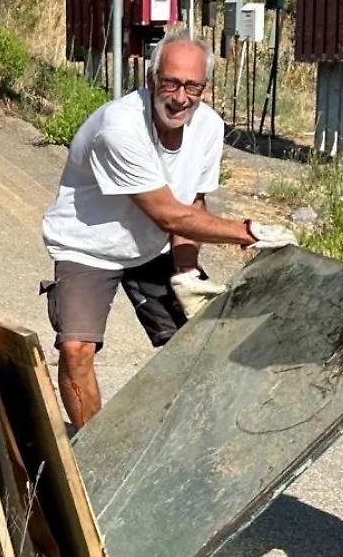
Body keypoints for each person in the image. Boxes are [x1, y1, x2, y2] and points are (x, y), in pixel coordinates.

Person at [41, 30, 296, 431]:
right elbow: (169, 215)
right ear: (150, 80)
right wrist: (249, 231)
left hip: (152, 247)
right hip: (89, 246)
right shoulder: (119, 127)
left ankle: (186, 440)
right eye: (171, 83)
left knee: (202, 345)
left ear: (205, 88)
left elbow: (192, 202)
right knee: (76, 349)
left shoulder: (209, 127)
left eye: (192, 86)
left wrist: (186, 271)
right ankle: (92, 450)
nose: (180, 97)